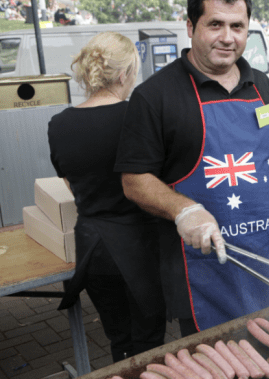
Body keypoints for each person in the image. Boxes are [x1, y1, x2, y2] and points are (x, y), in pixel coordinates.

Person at [114, 0, 269, 335]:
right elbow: (134, 180)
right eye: (215, 24)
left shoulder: (261, 85)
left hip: (266, 255)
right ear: (191, 27)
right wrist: (183, 210)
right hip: (203, 268)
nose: (228, 37)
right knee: (218, 358)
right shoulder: (155, 95)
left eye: (237, 26)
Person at [48, 32, 166, 362]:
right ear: (124, 73)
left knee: (119, 337)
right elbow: (156, 184)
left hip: (93, 248)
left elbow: (73, 185)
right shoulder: (139, 116)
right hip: (140, 245)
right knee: (150, 339)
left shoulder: (59, 124)